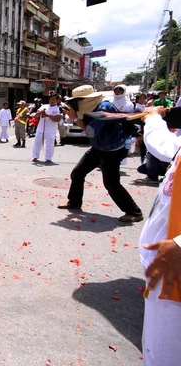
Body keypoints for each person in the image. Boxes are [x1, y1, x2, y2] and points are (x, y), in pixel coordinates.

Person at [57, 85, 143, 223]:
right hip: (99, 147)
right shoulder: (93, 107)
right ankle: (74, 202)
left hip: (112, 150)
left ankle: (134, 212)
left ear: (86, 100)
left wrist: (75, 118)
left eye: (77, 101)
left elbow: (90, 132)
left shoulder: (104, 108)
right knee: (78, 173)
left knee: (111, 183)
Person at [138, 106, 181, 365]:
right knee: (156, 348)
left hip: (175, 272)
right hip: (164, 268)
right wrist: (153, 118)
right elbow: (167, 146)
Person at [32, 92, 62, 163]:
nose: (51, 101)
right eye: (50, 99)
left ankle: (48, 158)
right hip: (40, 128)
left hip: (50, 130)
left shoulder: (58, 109)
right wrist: (40, 113)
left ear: (57, 100)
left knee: (49, 144)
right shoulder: (44, 106)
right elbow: (36, 115)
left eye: (53, 99)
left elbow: (57, 119)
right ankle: (35, 156)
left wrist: (48, 115)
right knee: (37, 142)